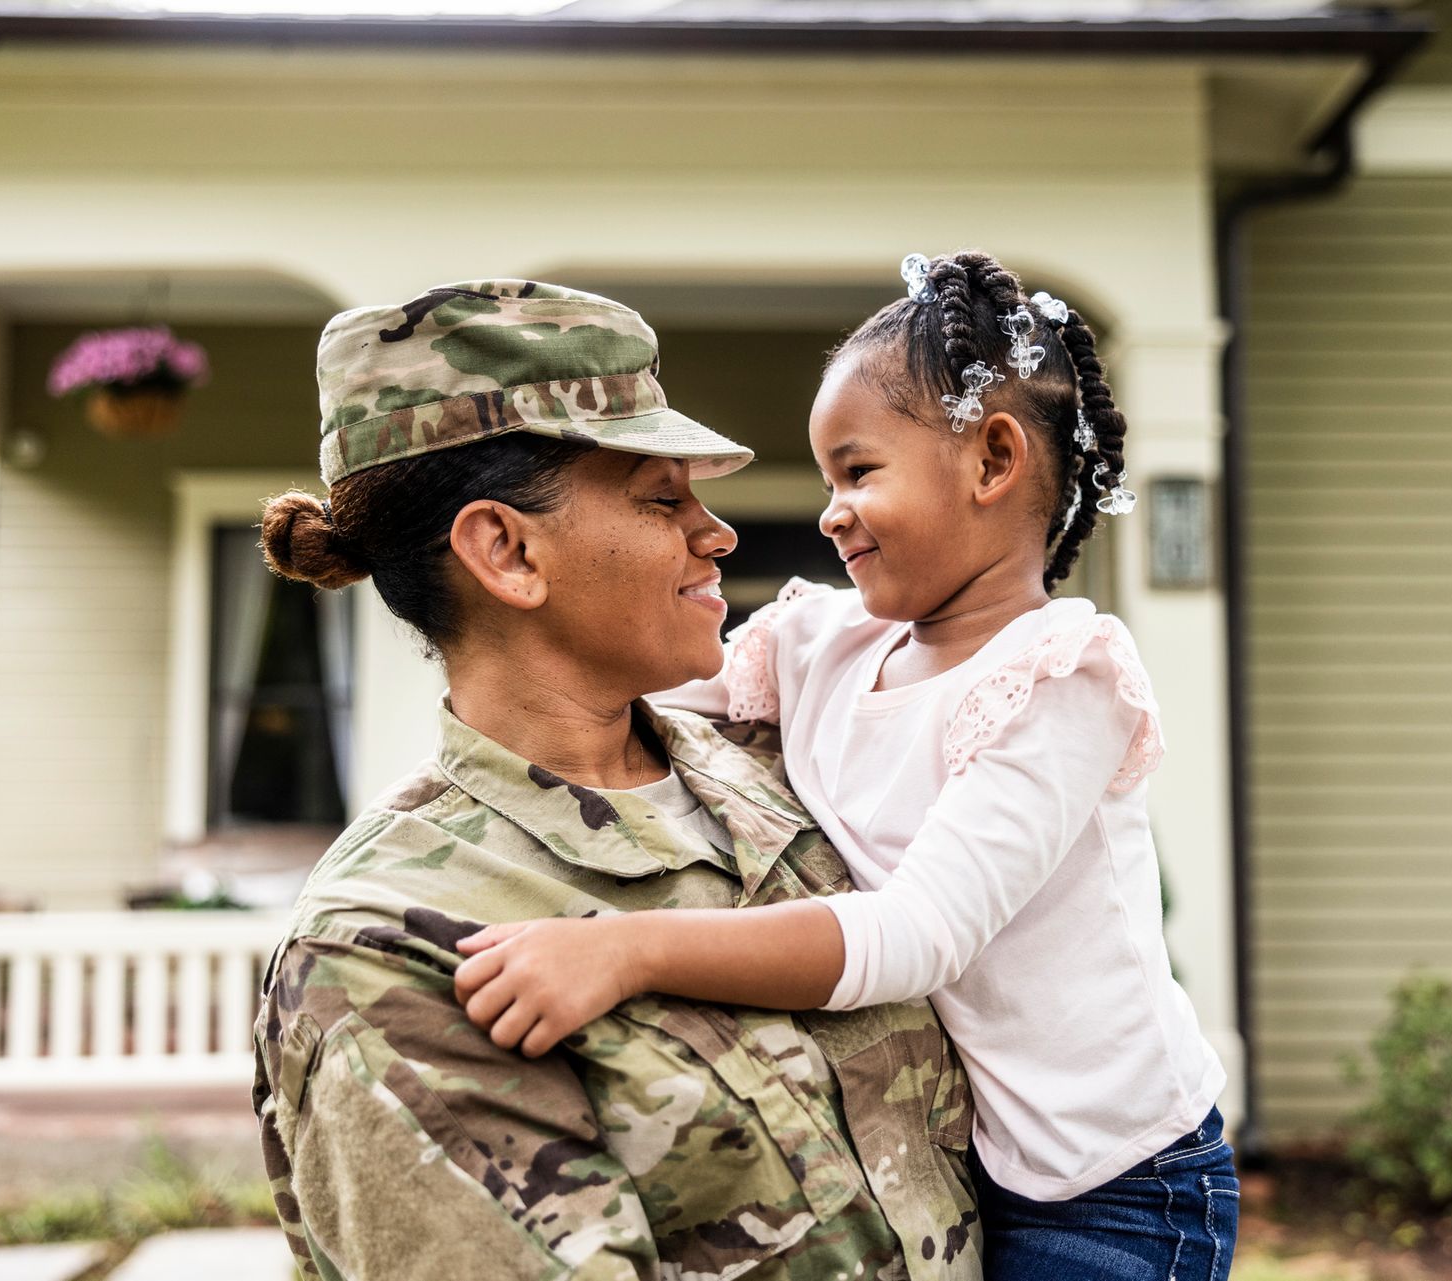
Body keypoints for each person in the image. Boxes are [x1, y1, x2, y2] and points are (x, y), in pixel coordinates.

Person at [453, 252, 1236, 1280]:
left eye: (859, 473)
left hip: (1122, 1185)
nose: (830, 512)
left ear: (993, 462)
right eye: (829, 480)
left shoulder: (1061, 681)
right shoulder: (826, 643)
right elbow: (631, 704)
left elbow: (917, 936)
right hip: (971, 1162)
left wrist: (626, 951)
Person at [250, 280, 981, 1281]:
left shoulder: (790, 777)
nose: (716, 534)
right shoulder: (387, 955)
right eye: (662, 498)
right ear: (506, 551)